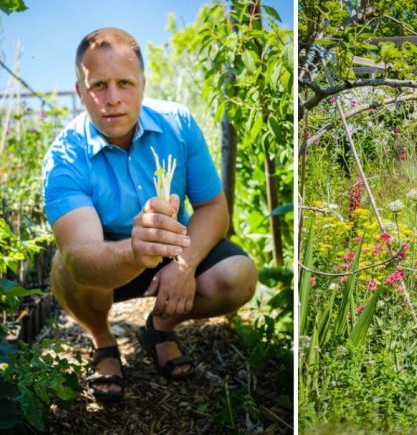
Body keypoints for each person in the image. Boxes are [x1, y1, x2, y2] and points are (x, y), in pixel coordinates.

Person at [42, 27, 257, 402]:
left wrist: (185, 264)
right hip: (107, 262)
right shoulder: (64, 156)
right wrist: (134, 251)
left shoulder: (179, 124)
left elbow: (212, 207)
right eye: (98, 86)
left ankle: (159, 326)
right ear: (81, 92)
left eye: (125, 83)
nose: (112, 99)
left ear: (143, 83)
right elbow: (80, 254)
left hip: (174, 250)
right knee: (67, 267)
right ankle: (104, 341)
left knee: (238, 276)